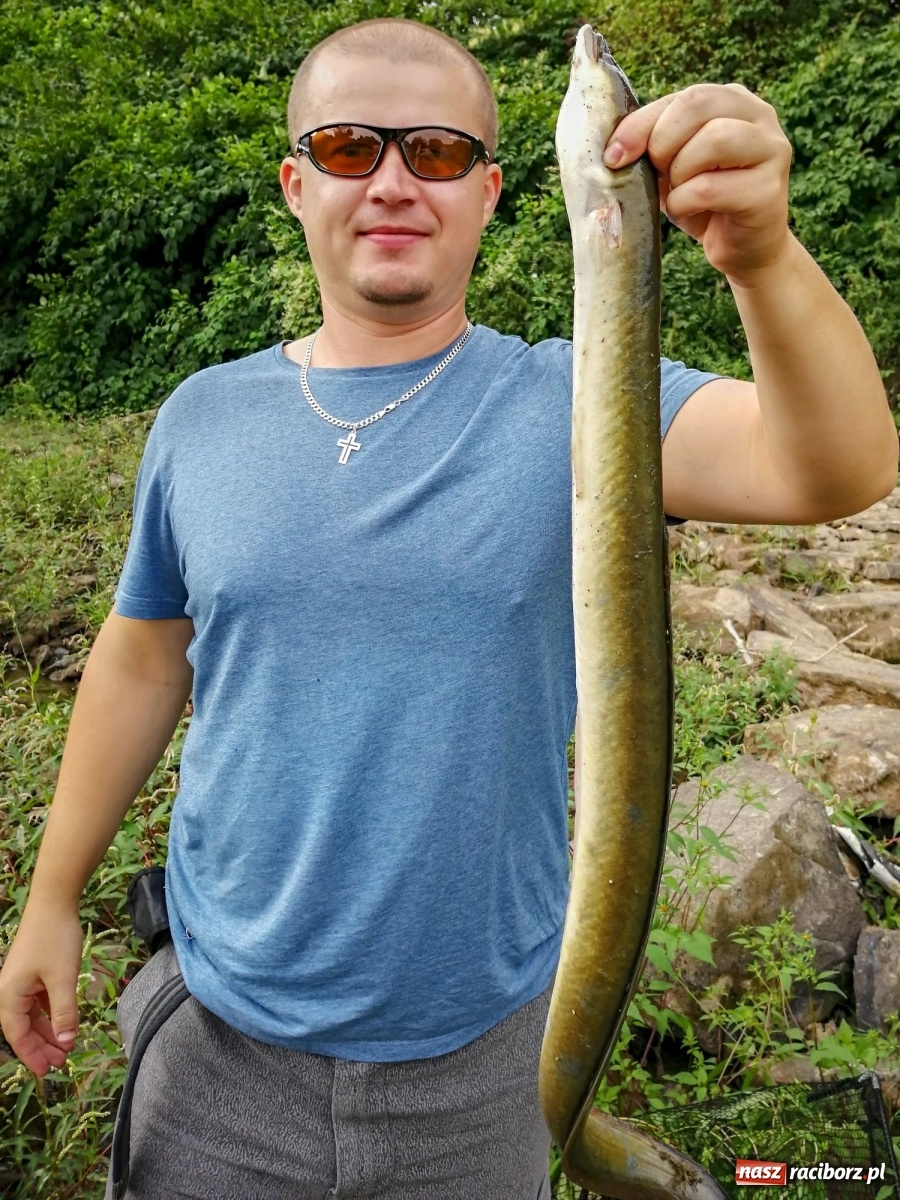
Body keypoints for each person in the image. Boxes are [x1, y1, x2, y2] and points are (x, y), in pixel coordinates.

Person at [0, 15, 895, 1200]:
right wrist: (52, 898)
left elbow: (833, 466)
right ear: (294, 182)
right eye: (346, 146)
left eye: (431, 153)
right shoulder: (199, 417)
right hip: (217, 1041)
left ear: (488, 192)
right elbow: (142, 660)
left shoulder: (573, 400)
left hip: (484, 1068)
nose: (388, 182)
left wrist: (763, 257)